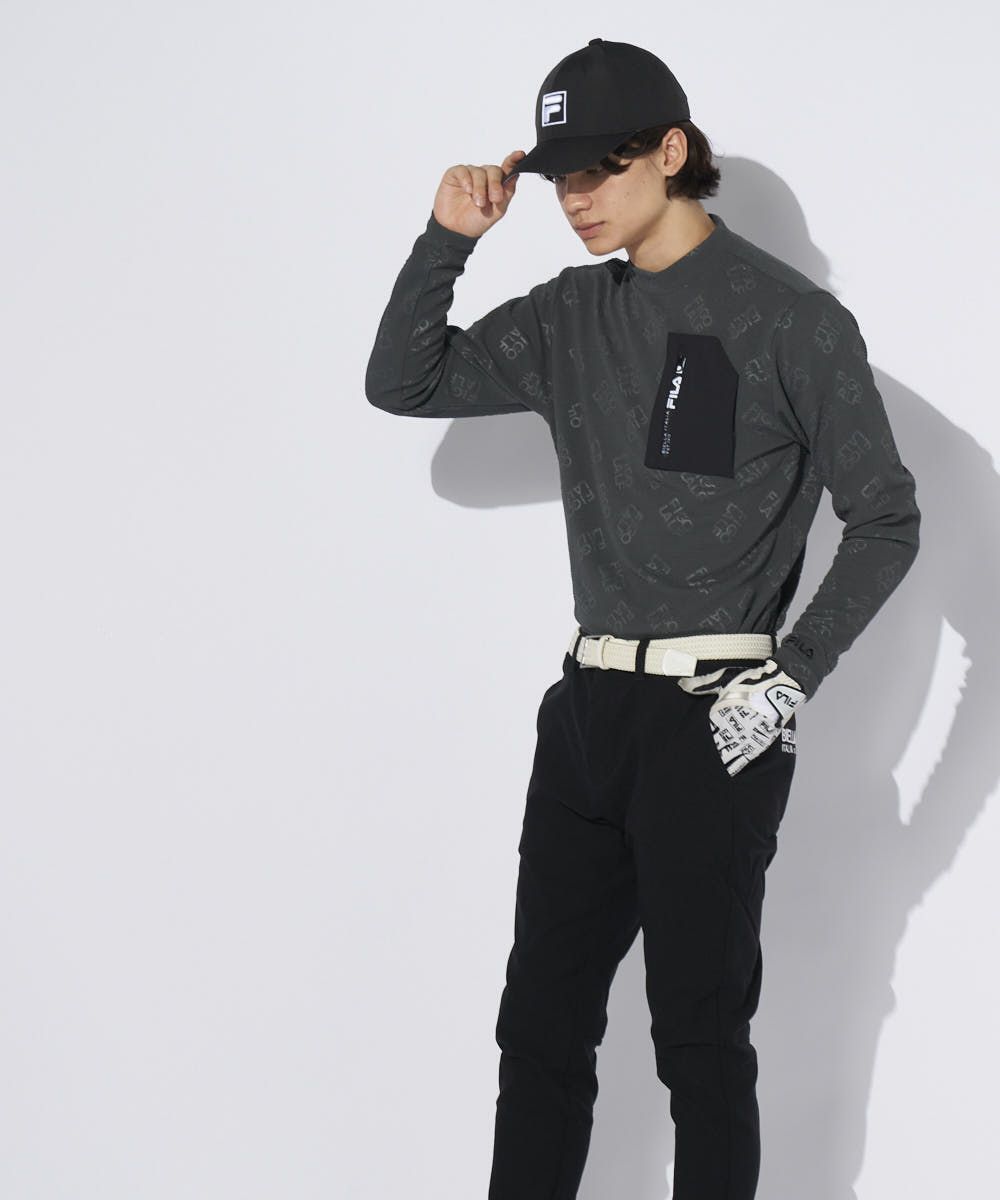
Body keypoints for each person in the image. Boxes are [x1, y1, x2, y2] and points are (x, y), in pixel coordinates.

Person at [364, 36, 920, 1200]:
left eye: (598, 169)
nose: (574, 198)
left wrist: (791, 676)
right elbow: (403, 383)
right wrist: (447, 239)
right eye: (558, 176)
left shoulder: (792, 321)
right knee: (538, 1028)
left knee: (698, 1041)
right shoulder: (570, 314)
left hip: (715, 716)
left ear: (671, 152)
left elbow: (886, 519)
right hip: (586, 713)